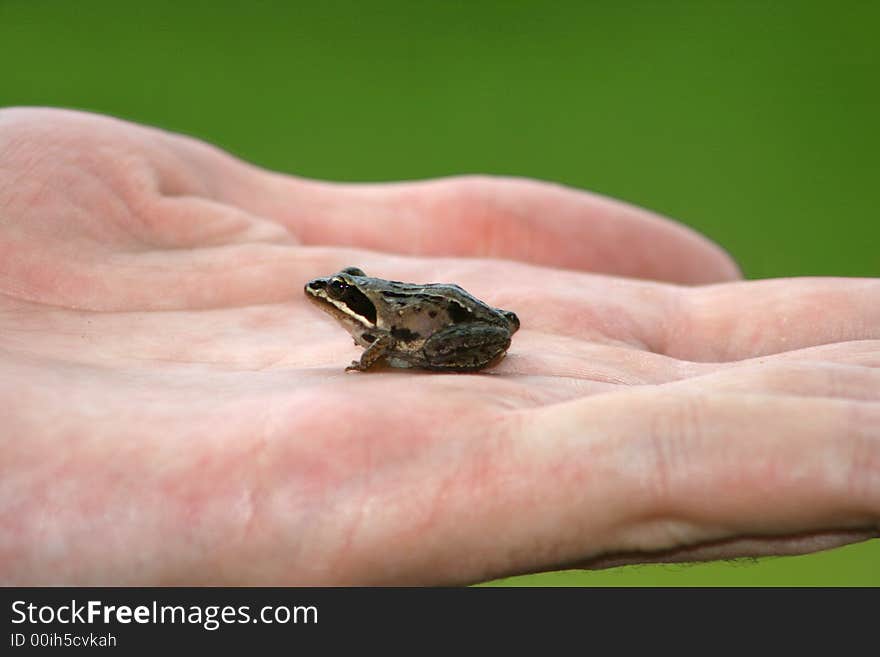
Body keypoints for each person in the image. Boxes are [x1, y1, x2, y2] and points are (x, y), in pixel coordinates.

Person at [0, 107, 876, 585]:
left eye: (339, 293)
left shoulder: (376, 319)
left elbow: (386, 339)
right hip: (472, 311)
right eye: (341, 291)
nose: (330, 298)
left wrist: (378, 358)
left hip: (464, 329)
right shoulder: (363, 297)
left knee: (412, 353)